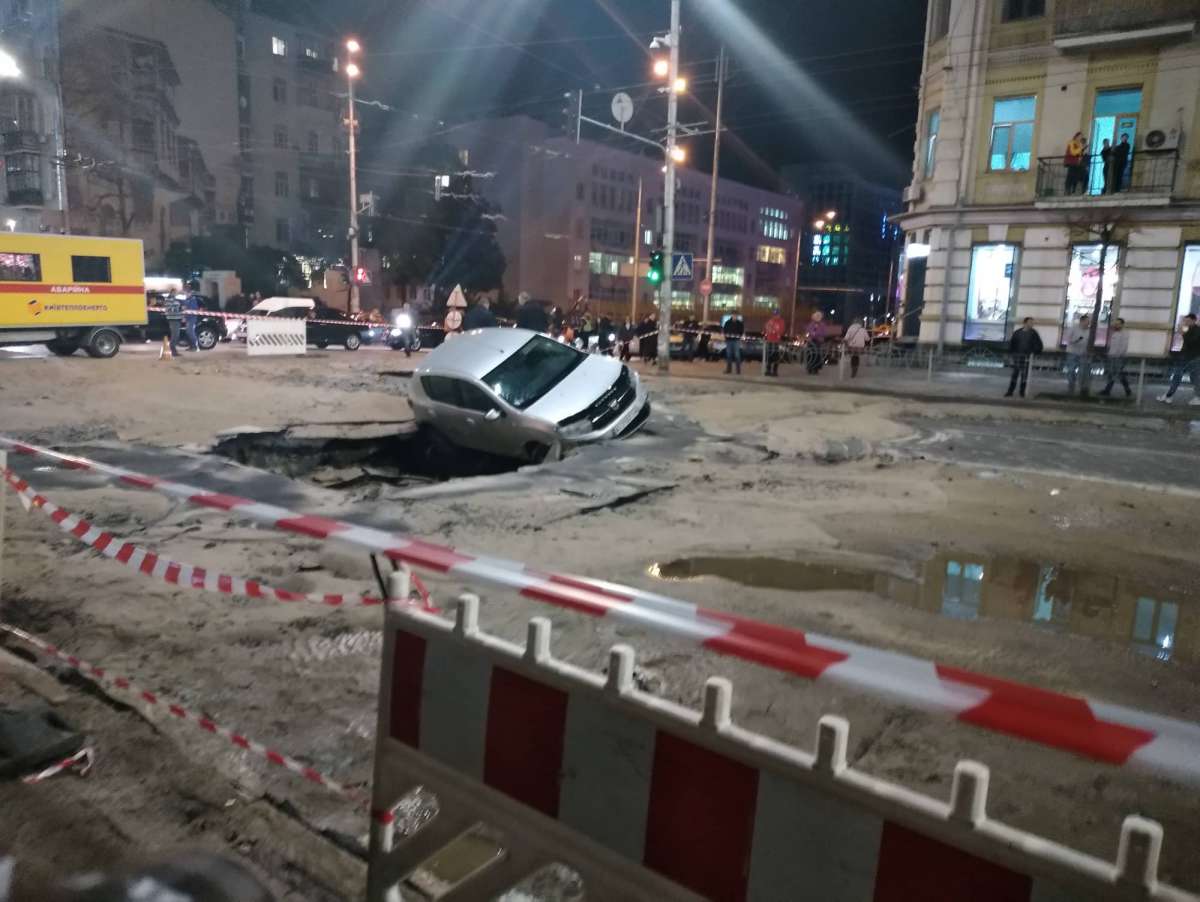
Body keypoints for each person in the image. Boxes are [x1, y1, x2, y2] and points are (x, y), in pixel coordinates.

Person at [1158, 312, 1200, 405]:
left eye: (1188, 321)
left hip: (1191, 358)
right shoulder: (1190, 329)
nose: (1186, 322)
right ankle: (1170, 396)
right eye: (1185, 321)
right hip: (1189, 357)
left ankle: (1169, 396)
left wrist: (1183, 334)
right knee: (1192, 377)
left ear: (1193, 320)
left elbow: (1191, 342)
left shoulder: (1196, 330)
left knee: (1180, 376)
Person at [1005, 317, 1044, 398]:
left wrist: (1034, 352)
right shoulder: (1017, 333)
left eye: (1032, 322)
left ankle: (1022, 392)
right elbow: (1012, 343)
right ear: (1025, 323)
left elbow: (1038, 344)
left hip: (1027, 357)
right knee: (1015, 374)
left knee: (1025, 375)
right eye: (1030, 322)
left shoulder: (1033, 333)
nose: (1032, 324)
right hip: (1017, 356)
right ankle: (1010, 391)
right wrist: (1011, 353)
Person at [1099, 317, 1132, 398]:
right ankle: (1127, 390)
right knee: (1117, 374)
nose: (1116, 325)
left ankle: (1108, 390)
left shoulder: (1124, 334)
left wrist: (1118, 355)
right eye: (1115, 324)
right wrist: (1108, 353)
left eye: (1118, 324)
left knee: (1115, 373)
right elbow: (1111, 345)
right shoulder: (1114, 333)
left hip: (1119, 357)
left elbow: (1123, 346)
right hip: (1112, 356)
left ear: (1122, 325)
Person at [1063, 313, 1090, 393]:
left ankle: (1083, 387)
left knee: (1083, 371)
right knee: (1071, 370)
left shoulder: (1089, 331)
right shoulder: (1073, 328)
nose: (1088, 323)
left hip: (1083, 353)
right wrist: (1077, 340)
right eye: (1087, 321)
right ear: (1081, 321)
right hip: (1072, 352)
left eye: (1088, 322)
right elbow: (1068, 339)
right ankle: (1071, 386)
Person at [763, 308, 787, 376]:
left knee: (776, 356)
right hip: (770, 340)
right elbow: (767, 328)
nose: (775, 316)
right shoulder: (770, 321)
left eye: (777, 314)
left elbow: (781, 331)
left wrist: (774, 331)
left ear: (779, 314)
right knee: (769, 356)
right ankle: (768, 370)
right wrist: (771, 330)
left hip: (776, 341)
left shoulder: (781, 321)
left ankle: (775, 371)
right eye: (774, 314)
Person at [160, 293, 183, 360]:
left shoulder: (174, 301)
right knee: (175, 335)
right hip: (173, 320)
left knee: (176, 335)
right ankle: (172, 350)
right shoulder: (169, 302)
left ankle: (173, 350)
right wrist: (180, 308)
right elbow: (171, 310)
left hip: (176, 319)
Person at [183, 280, 203, 351]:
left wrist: (186, 314)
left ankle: (195, 347)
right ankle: (191, 346)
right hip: (188, 318)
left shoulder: (192, 299)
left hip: (192, 318)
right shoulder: (187, 299)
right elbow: (186, 309)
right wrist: (185, 316)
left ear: (189, 292)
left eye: (185, 292)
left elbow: (193, 309)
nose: (185, 294)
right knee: (188, 332)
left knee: (191, 332)